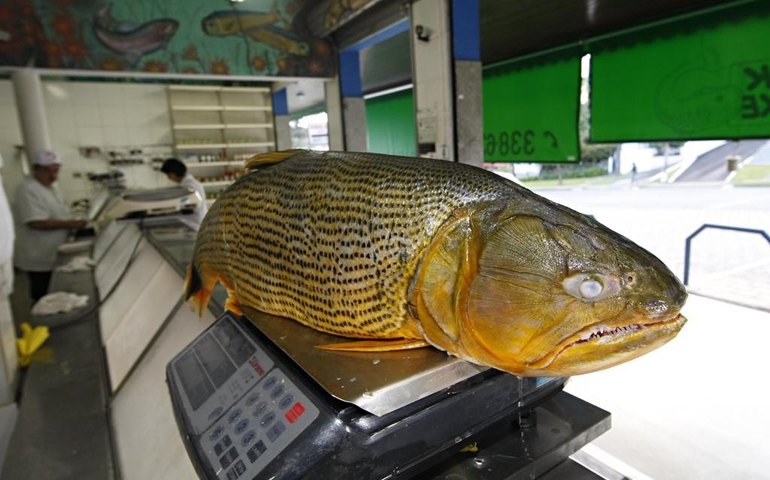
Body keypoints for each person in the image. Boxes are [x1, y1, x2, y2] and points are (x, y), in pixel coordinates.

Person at [14, 149, 87, 302]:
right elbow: (36, 222)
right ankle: (42, 322)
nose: (53, 175)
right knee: (43, 294)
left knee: (53, 291)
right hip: (38, 254)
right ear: (36, 169)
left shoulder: (52, 187)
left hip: (53, 251)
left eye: (56, 171)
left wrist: (72, 219)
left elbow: (60, 212)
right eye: (47, 171)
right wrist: (71, 223)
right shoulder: (27, 189)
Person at [160, 158, 208, 229]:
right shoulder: (186, 184)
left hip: (195, 224)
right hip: (193, 222)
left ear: (175, 173)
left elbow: (187, 202)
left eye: (169, 175)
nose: (169, 178)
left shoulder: (191, 186)